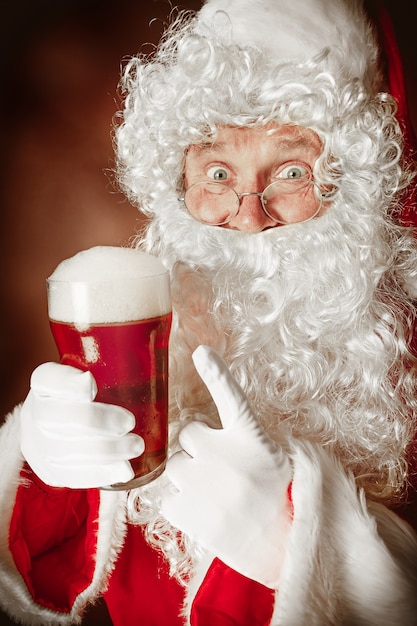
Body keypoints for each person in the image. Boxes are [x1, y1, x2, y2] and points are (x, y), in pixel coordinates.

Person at [1, 0, 417, 624]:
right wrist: (44, 470)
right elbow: (61, 561)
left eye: (293, 171)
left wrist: (303, 548)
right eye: (218, 171)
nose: (248, 218)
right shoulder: (150, 338)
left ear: (354, 186)